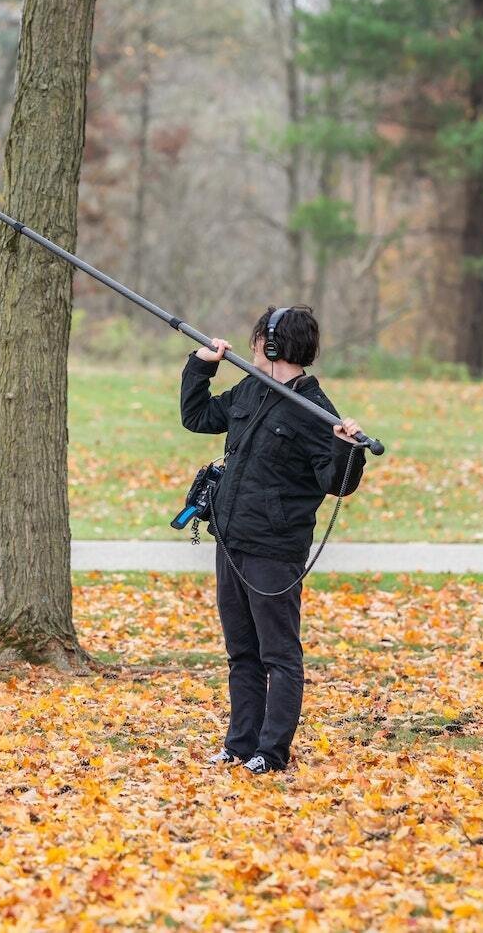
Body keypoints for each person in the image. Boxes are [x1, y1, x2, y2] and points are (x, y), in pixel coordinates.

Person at [180, 304, 366, 774]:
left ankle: (272, 750)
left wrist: (348, 446)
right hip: (232, 540)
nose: (252, 344)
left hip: (274, 550)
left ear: (275, 344)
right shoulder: (250, 388)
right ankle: (240, 743)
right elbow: (198, 417)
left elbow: (338, 483)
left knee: (278, 654)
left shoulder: (315, 412)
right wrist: (201, 366)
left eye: (259, 336)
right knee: (241, 651)